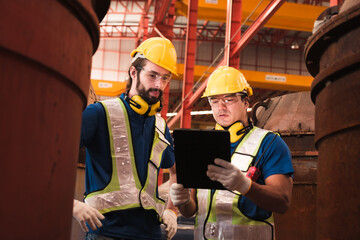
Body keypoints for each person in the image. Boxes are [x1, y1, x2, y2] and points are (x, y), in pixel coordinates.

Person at [73, 37, 179, 240]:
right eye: (153, 75)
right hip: (106, 233)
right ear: (133, 72)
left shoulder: (161, 127)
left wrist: (171, 211)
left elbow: (176, 172)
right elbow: (53, 157)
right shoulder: (98, 114)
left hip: (151, 234)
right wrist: (71, 204)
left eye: (165, 78)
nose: (159, 84)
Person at [170, 66, 294, 240]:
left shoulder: (269, 143)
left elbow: (283, 202)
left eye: (229, 99)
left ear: (245, 102)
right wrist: (183, 202)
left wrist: (245, 186)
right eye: (214, 100)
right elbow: (192, 210)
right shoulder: (200, 144)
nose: (221, 107)